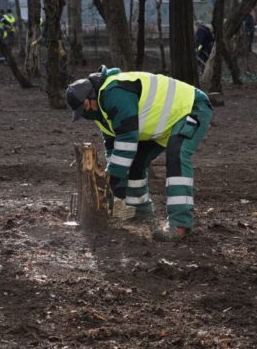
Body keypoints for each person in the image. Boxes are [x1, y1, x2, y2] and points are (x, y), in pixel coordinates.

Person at [66, 66, 213, 241]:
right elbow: (114, 150)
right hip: (162, 124)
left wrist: (109, 182)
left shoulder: (115, 92)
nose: (86, 116)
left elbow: (127, 140)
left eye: (85, 110)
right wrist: (114, 187)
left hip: (191, 108)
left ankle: (180, 225)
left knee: (177, 155)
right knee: (136, 161)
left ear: (89, 97)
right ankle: (140, 212)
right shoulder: (101, 114)